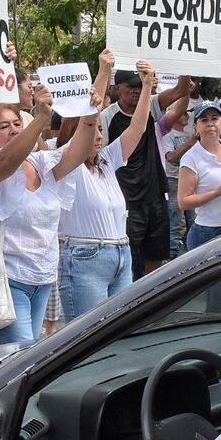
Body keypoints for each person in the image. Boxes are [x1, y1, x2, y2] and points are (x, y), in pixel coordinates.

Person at [0, 84, 98, 345]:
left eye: (17, 123)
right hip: (6, 278)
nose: (14, 129)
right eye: (3, 127)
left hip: (41, 278)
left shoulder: (40, 162)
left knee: (25, 355)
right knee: (25, 357)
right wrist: (41, 119)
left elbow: (77, 152)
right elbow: (5, 163)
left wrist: (90, 115)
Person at [58, 54, 153, 322]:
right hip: (84, 258)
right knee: (88, 335)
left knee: (118, 331)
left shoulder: (107, 161)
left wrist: (147, 85)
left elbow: (138, 127)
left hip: (121, 255)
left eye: (101, 129)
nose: (99, 135)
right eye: (93, 130)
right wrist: (103, 71)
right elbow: (88, 115)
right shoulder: (65, 165)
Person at [99, 60, 192, 278]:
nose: (136, 90)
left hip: (155, 194)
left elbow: (180, 90)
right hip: (125, 199)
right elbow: (101, 158)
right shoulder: (107, 117)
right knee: (127, 261)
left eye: (140, 85)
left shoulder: (150, 103)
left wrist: (186, 59)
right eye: (131, 86)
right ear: (117, 88)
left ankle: (152, 294)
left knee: (155, 258)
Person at [176, 101, 221, 247]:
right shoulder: (191, 158)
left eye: (214, 119)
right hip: (207, 231)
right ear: (196, 126)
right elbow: (183, 201)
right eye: (204, 120)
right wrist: (217, 192)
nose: (210, 124)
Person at [161, 97, 197, 257]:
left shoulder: (189, 134)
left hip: (189, 179)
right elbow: (170, 157)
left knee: (193, 218)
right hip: (173, 180)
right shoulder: (168, 135)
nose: (186, 116)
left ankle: (192, 252)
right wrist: (189, 143)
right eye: (183, 113)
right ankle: (172, 253)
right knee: (176, 220)